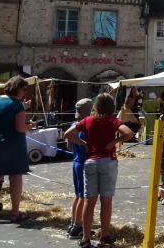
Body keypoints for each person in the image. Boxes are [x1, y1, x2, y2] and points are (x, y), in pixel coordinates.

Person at [65, 93, 134, 248]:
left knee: (89, 201)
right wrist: (115, 141)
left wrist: (83, 143)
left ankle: (85, 238)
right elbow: (129, 133)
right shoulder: (112, 120)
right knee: (106, 201)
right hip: (108, 161)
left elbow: (68, 134)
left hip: (90, 161)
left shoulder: (87, 120)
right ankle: (104, 236)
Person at [0, 76, 35, 223]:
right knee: (15, 178)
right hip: (14, 145)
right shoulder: (18, 105)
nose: (25, 92)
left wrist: (24, 107)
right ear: (18, 89)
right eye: (24, 89)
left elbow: (4, 114)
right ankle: (15, 213)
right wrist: (31, 125)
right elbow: (20, 127)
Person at [67, 98, 93, 239]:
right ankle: (77, 226)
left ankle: (73, 222)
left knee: (78, 195)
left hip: (75, 162)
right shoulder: (87, 127)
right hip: (84, 163)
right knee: (83, 197)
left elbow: (69, 146)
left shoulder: (73, 125)